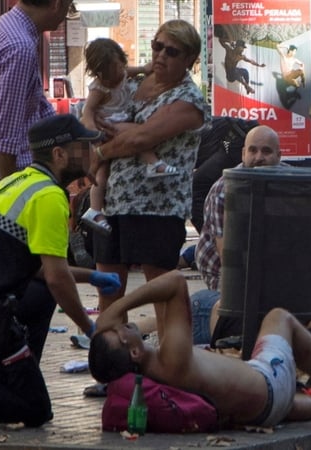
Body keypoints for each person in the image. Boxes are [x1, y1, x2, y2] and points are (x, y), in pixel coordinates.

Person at [0, 114, 121, 427]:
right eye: (84, 147)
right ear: (59, 154)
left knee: (38, 299)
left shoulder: (17, 180)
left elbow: (31, 265)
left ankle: (17, 373)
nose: (93, 154)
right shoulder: (49, 196)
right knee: (34, 408)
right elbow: (55, 278)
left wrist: (90, 276)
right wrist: (89, 329)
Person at [88, 270, 311, 426]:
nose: (123, 324)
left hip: (262, 411)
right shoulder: (171, 360)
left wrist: (109, 326)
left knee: (285, 399)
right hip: (270, 384)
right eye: (120, 331)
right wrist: (119, 305)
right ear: (134, 353)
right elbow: (176, 282)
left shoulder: (155, 370)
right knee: (279, 317)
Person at [86, 18, 211, 345]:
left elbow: (140, 138)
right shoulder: (134, 80)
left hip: (157, 207)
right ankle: (114, 368)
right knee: (109, 289)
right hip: (113, 202)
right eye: (157, 46)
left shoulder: (189, 99)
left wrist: (99, 152)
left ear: (189, 60)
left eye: (172, 51)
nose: (161, 56)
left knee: (163, 293)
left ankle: (174, 367)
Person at [0, 0, 73, 213]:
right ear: (56, 4)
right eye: (69, 7)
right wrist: (10, 199)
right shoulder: (19, 46)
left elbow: (37, 104)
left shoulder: (2, 29)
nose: (67, 15)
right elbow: (4, 134)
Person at [192, 125, 285, 345]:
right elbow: (231, 262)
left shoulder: (291, 183)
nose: (258, 157)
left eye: (266, 151)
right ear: (242, 154)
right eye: (252, 151)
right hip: (226, 282)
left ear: (279, 157)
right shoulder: (224, 189)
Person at [78, 38, 179, 235]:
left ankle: (95, 210)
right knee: (133, 141)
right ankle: (154, 164)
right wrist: (94, 133)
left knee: (105, 168)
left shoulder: (123, 72)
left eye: (119, 69)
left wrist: (146, 68)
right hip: (108, 128)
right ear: (98, 74)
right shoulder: (99, 88)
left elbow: (138, 70)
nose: (117, 76)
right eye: (109, 75)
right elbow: (87, 113)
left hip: (119, 122)